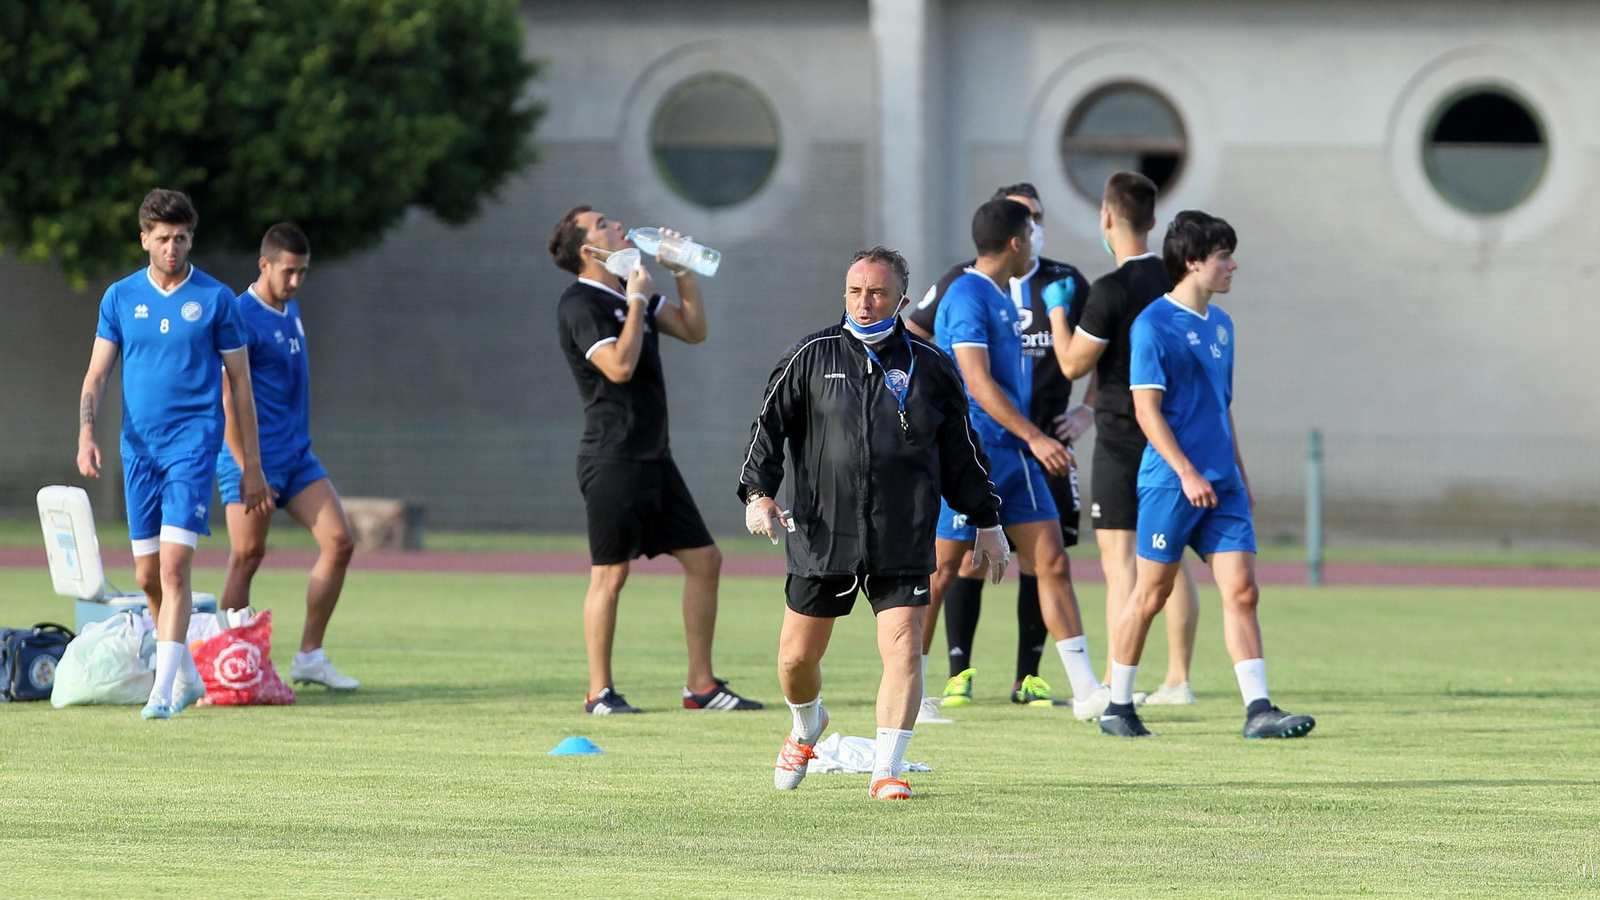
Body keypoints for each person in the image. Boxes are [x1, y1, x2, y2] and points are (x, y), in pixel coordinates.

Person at [740, 246, 1007, 800]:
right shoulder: (810, 355)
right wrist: (759, 495)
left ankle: (887, 768)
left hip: (902, 531)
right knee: (795, 660)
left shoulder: (930, 366)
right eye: (855, 291)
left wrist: (987, 520)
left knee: (905, 647)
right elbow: (766, 431)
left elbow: (962, 451)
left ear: (901, 300)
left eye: (878, 293)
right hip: (821, 531)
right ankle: (807, 724)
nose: (864, 303)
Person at [1098, 210, 1315, 739]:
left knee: (1242, 591)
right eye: (1224, 257)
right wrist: (1187, 472)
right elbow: (1146, 411)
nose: (1233, 265)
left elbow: (1222, 406)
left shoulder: (1222, 325)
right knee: (1150, 595)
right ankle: (1117, 707)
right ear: (1194, 262)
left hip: (1223, 486)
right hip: (1171, 485)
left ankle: (1258, 710)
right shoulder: (1151, 325)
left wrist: (1237, 472)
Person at [549, 206, 761, 714]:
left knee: (706, 560)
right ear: (587, 250)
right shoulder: (580, 303)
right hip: (612, 458)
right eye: (603, 225)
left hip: (654, 457)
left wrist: (681, 268)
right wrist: (639, 301)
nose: (618, 227)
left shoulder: (630, 290)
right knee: (610, 575)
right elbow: (618, 368)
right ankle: (599, 692)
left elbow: (693, 329)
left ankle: (701, 686)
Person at [76, 188, 273, 719]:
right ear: (145, 239)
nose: (172, 247)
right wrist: (86, 434)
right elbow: (97, 374)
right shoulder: (119, 297)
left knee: (174, 568)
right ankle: (184, 672)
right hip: (137, 450)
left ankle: (161, 692)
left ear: (191, 239)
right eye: (162, 238)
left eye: (181, 238)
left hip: (193, 446)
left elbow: (241, 385)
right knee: (145, 577)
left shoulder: (216, 300)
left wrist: (251, 464)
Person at [905, 183, 1092, 713]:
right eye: (1030, 229)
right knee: (941, 573)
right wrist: (1036, 436)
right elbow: (978, 382)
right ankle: (912, 692)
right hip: (972, 452)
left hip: (1016, 453)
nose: (1037, 238)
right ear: (1016, 241)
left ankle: (1088, 691)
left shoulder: (999, 292)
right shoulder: (964, 293)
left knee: (1051, 561)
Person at [1051, 172, 1202, 707]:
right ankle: (1178, 681)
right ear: (1154, 222)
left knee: (1120, 565)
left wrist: (1056, 310)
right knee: (1171, 558)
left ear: (1106, 218)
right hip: (1175, 434)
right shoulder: (1176, 280)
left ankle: (1118, 686)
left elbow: (1072, 364)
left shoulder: (1110, 290)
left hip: (1122, 436)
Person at [216, 224, 359, 690]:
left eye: (303, 272)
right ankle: (229, 669)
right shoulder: (239, 314)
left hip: (298, 457)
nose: (296, 282)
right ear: (264, 264)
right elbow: (228, 398)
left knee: (340, 542)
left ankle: (309, 657)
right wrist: (247, 468)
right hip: (252, 459)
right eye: (288, 272)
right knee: (247, 555)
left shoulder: (289, 308)